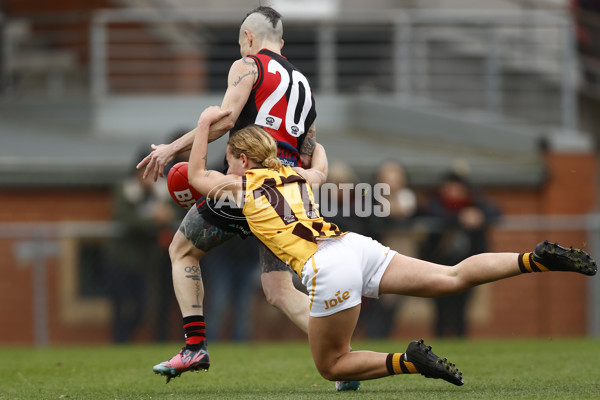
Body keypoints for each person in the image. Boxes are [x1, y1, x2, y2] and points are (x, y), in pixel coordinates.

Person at [188, 106, 597, 385]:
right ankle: (533, 259)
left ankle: (407, 361)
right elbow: (323, 167)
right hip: (354, 246)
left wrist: (206, 124)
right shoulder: (297, 176)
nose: (227, 165)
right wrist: (312, 137)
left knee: (333, 365)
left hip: (325, 266)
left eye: (230, 157)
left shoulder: (238, 185)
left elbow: (194, 176)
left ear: (242, 158)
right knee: (451, 277)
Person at [138, 7, 360, 389]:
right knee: (279, 290)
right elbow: (309, 149)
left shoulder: (247, 65)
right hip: (286, 194)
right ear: (282, 43)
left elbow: (224, 118)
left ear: (248, 37)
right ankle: (344, 357)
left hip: (245, 188)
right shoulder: (304, 85)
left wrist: (171, 149)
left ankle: (194, 346)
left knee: (181, 251)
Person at [106, 151, 176, 342]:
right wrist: (154, 220)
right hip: (121, 259)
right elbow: (127, 219)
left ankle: (125, 339)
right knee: (121, 306)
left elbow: (172, 217)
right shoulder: (125, 189)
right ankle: (120, 343)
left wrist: (164, 218)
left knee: (143, 307)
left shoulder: (161, 191)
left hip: (146, 261)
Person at [421, 170, 501, 338]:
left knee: (462, 307)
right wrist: (460, 217)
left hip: (468, 264)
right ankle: (440, 341)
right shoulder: (437, 204)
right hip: (439, 263)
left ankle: (460, 338)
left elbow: (496, 212)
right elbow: (433, 214)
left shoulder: (474, 204)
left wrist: (478, 216)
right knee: (441, 308)